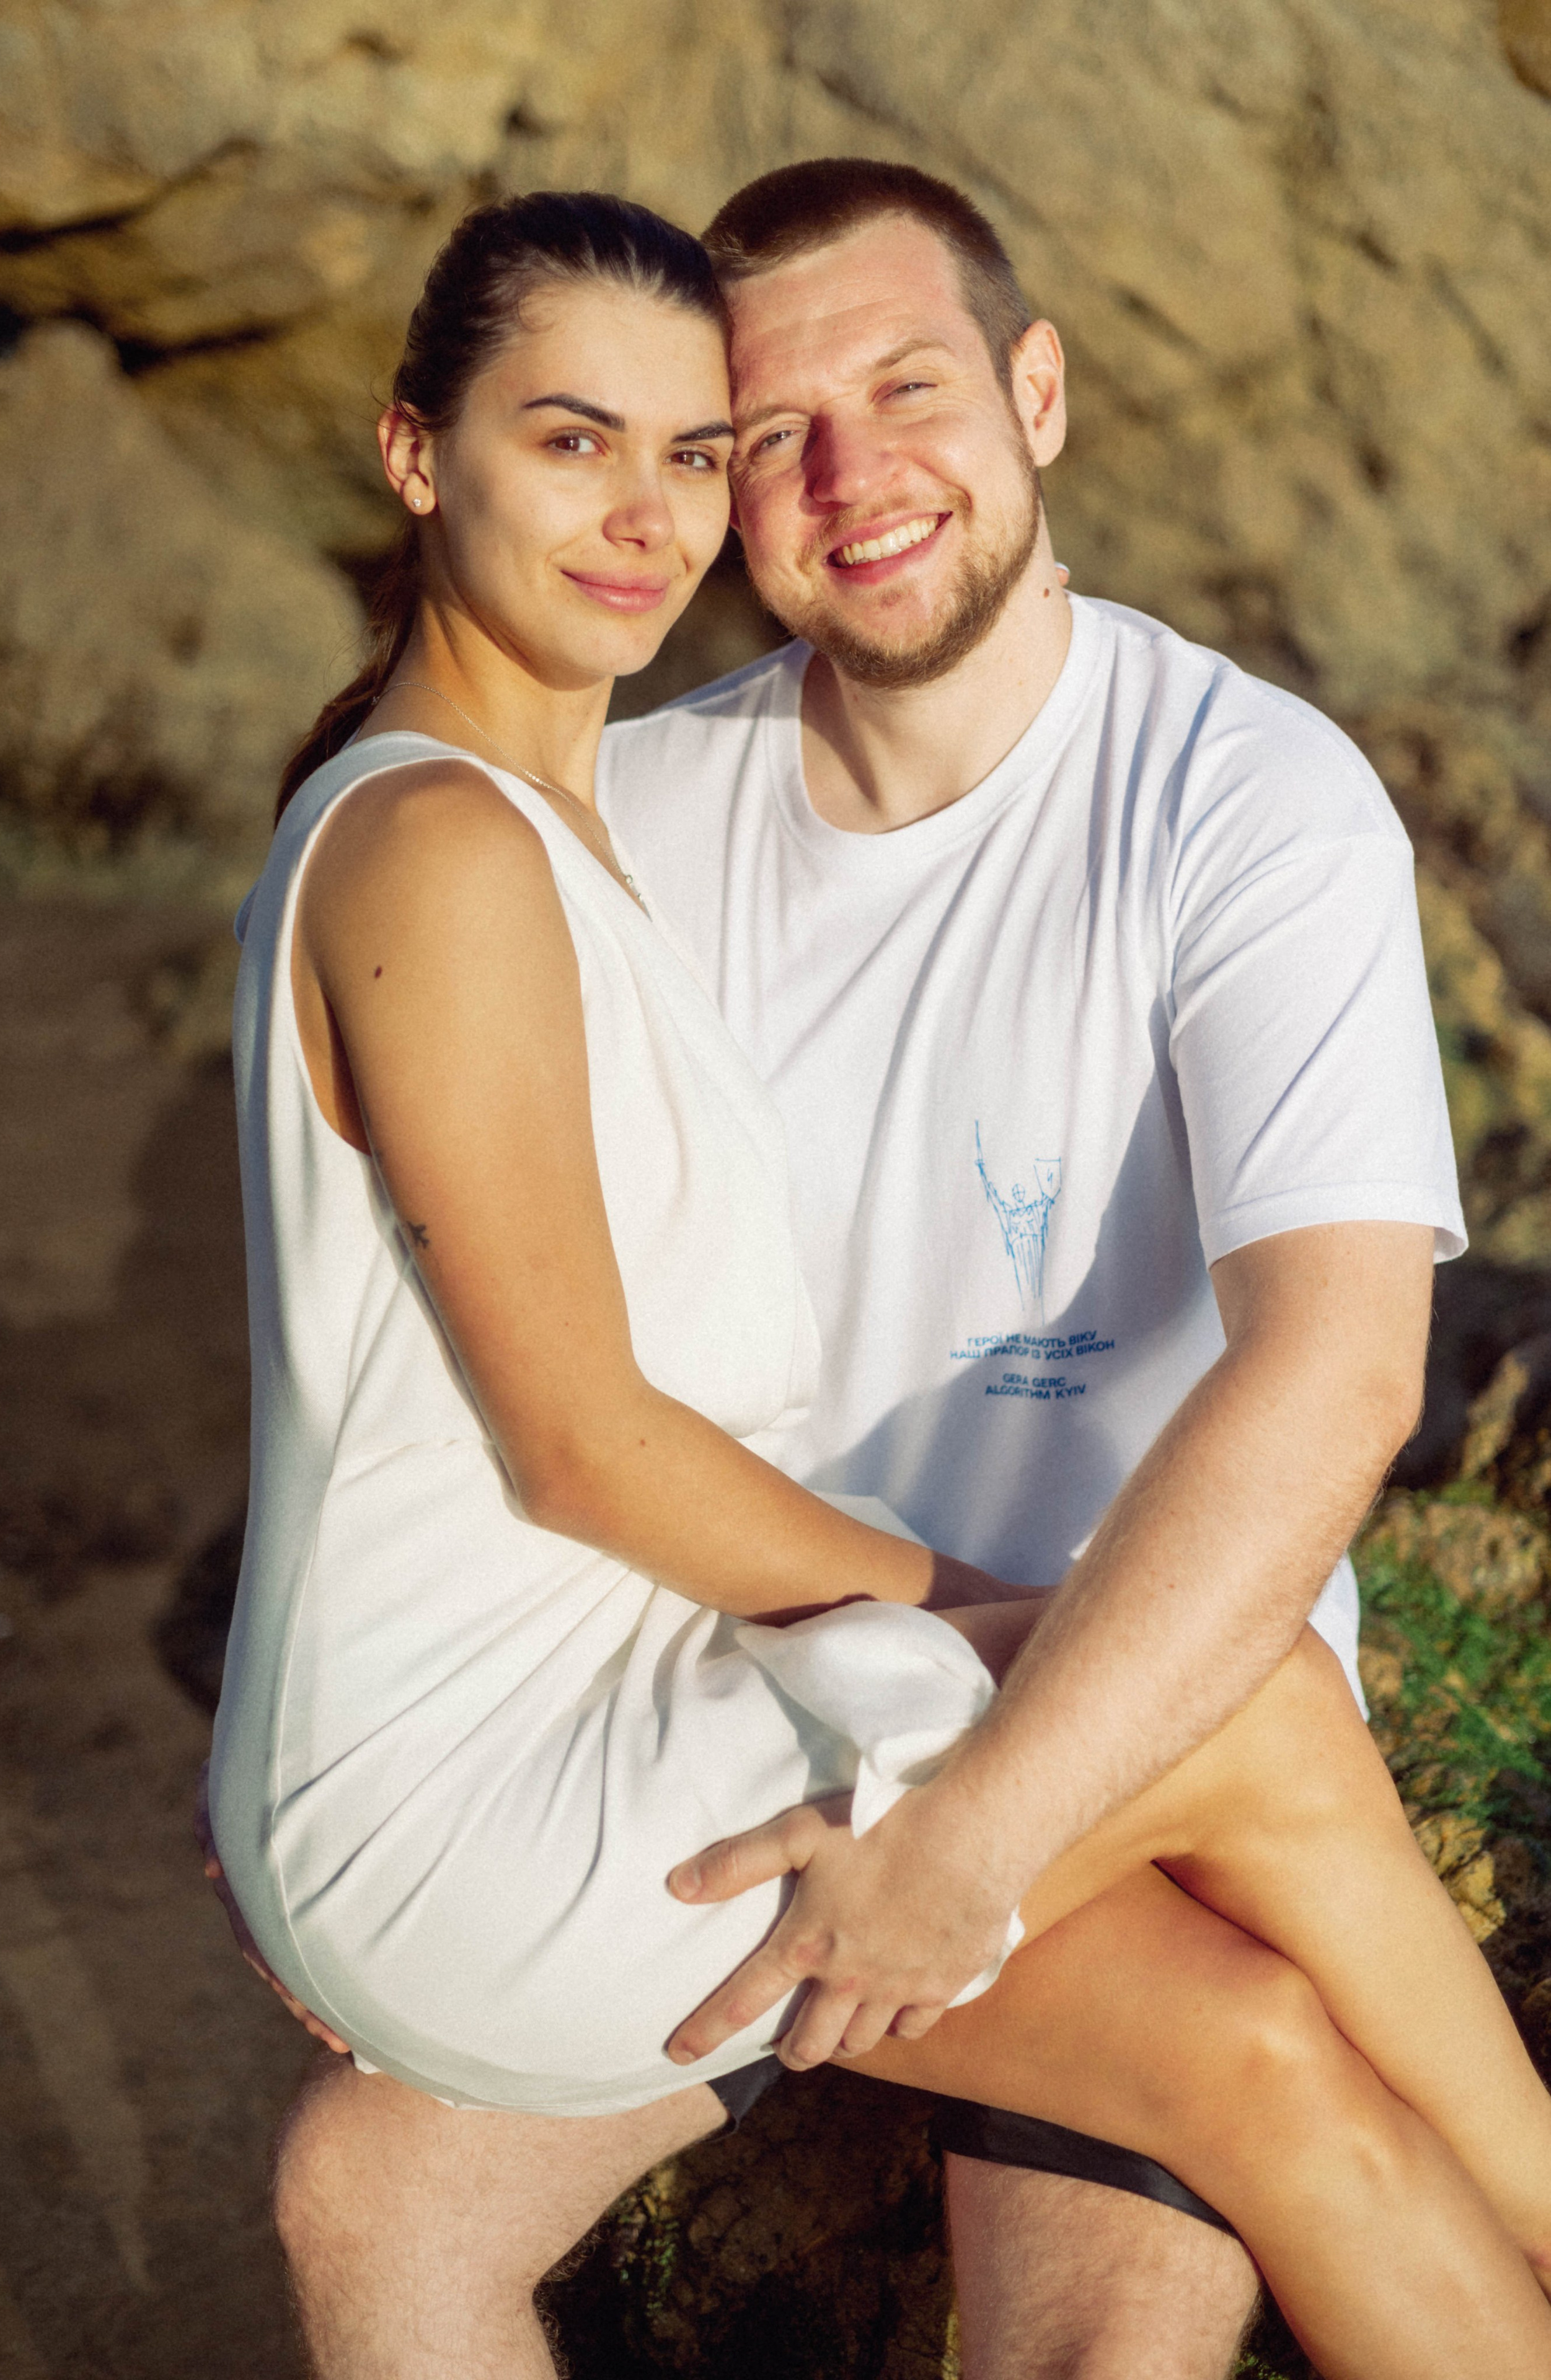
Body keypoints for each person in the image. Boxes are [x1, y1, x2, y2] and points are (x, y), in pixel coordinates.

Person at [206, 185, 1551, 2380]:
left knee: (1216, 2102)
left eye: (898, 393)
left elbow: (1341, 1374)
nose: (825, 479)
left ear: (1036, 397)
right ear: (419, 451)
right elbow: (460, 1354)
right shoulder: (596, 811)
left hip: (1077, 1697)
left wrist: (1000, 1771)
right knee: (364, 2191)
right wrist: (303, 1724)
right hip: (775, 1690)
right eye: (755, 431)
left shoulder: (1245, 794)